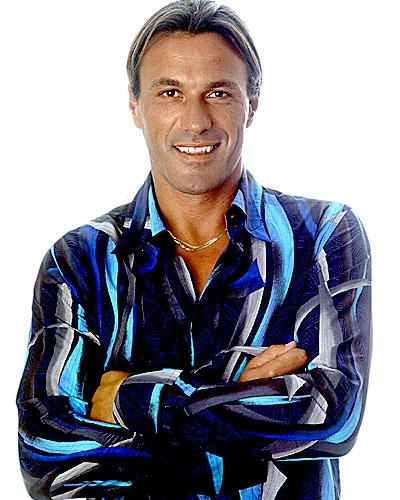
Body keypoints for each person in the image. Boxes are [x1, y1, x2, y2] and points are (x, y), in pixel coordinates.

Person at [16, 0, 372, 499]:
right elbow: (46, 453)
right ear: (135, 106)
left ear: (252, 102)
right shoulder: (79, 261)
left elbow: (333, 417)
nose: (196, 120)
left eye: (218, 92)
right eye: (170, 92)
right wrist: (236, 384)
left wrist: (124, 399)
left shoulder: (322, 235)